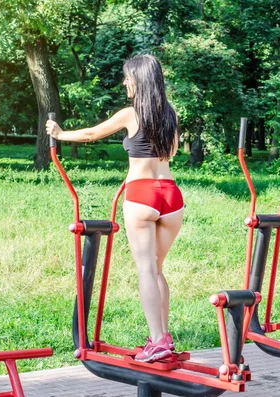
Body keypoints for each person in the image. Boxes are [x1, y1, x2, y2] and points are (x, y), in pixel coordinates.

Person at [46, 54, 183, 363]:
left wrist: (59, 133)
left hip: (142, 194)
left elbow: (92, 134)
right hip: (172, 197)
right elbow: (172, 150)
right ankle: (163, 337)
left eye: (128, 78)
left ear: (140, 80)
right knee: (157, 269)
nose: (125, 82)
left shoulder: (130, 115)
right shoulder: (170, 114)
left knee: (146, 269)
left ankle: (158, 340)